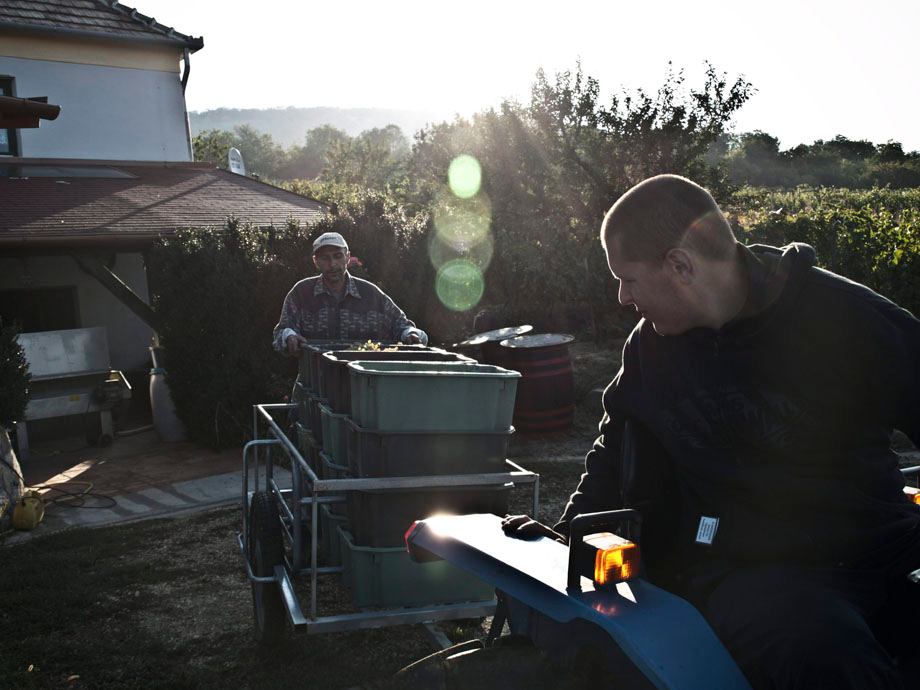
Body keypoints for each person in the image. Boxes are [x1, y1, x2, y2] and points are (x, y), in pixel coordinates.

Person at [503, 174, 920, 689]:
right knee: (823, 652)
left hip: (884, 545)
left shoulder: (848, 318)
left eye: (628, 280)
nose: (621, 297)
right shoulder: (650, 352)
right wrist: (564, 537)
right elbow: (615, 450)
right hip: (751, 572)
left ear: (680, 265)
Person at [272, 231, 428, 353]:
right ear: (315, 261)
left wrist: (411, 334)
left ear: (347, 257)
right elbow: (280, 334)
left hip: (363, 385)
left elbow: (402, 326)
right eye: (325, 258)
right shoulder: (301, 293)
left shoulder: (370, 294)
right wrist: (288, 336)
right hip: (314, 383)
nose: (332, 264)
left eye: (338, 256)